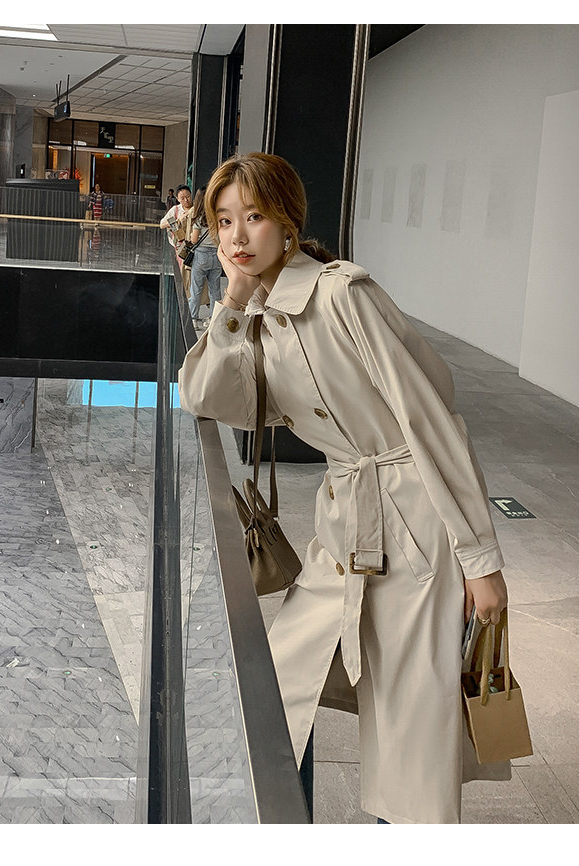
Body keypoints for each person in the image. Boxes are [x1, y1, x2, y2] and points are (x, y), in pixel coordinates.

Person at [177, 152, 509, 825]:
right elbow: (206, 396)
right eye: (223, 221)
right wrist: (232, 303)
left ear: (288, 222)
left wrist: (480, 560)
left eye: (254, 216)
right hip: (344, 528)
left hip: (415, 528)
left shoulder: (342, 294)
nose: (236, 237)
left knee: (412, 733)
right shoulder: (260, 315)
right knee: (274, 687)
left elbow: (428, 419)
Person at [187, 187, 223, 329]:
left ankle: (194, 319)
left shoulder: (200, 218)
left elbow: (194, 240)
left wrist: (191, 236)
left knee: (196, 289)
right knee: (215, 290)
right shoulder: (218, 217)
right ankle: (213, 319)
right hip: (216, 255)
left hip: (201, 255)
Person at [160, 184, 194, 290]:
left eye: (188, 196)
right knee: (182, 271)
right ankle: (185, 292)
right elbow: (162, 224)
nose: (186, 200)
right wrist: (177, 220)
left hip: (194, 245)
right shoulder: (175, 210)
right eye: (182, 198)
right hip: (180, 247)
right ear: (177, 199)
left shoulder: (197, 208)